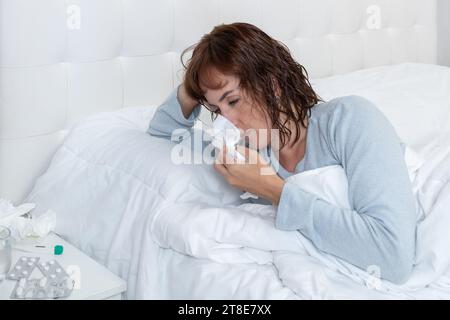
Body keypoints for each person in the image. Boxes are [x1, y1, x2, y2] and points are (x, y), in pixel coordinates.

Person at [147, 22, 417, 284]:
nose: (227, 119)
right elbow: (163, 129)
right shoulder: (246, 154)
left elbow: (394, 258)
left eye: (232, 100)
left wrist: (275, 190)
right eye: (216, 110)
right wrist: (197, 86)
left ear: (271, 85)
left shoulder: (348, 120)